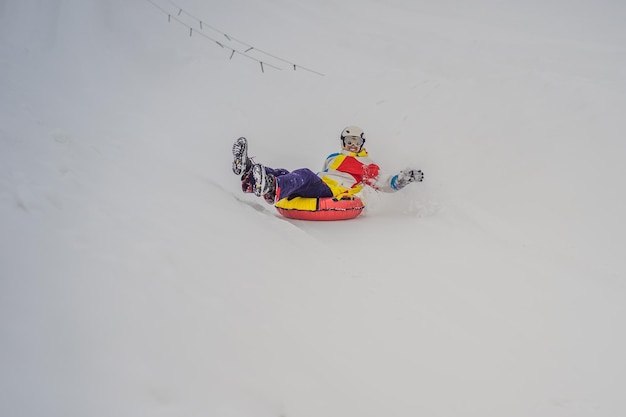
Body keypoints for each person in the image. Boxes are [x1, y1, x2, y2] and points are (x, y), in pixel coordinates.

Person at [232, 126, 424, 205]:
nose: (352, 144)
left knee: (304, 174)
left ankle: (271, 188)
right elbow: (323, 175)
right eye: (349, 140)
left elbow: (385, 184)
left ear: (362, 143)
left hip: (332, 192)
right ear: (342, 142)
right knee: (286, 173)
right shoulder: (333, 157)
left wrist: (403, 179)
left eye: (356, 141)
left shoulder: (368, 165)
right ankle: (248, 171)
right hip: (321, 185)